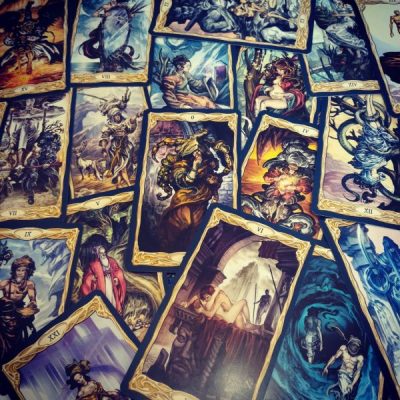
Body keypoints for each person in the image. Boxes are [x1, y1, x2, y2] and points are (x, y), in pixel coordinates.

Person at [182, 284, 261, 333]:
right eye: (205, 298)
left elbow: (198, 297)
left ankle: (250, 324)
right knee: (243, 302)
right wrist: (188, 303)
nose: (206, 299)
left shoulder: (218, 297)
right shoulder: (213, 300)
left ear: (212, 294)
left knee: (240, 316)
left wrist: (194, 306)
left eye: (207, 297)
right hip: (228, 318)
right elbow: (197, 297)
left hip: (230, 316)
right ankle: (249, 323)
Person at [80, 236, 126, 314]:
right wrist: (91, 278)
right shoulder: (92, 264)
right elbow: (87, 278)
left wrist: (117, 278)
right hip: (99, 287)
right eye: (100, 252)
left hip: (111, 284)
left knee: (111, 300)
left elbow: (118, 271)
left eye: (103, 253)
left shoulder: (111, 261)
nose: (103, 255)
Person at [0, 255, 38, 338]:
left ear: (28, 271)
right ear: (14, 271)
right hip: (5, 310)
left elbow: (32, 298)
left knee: (27, 326)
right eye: (18, 270)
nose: (20, 273)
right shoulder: (6, 282)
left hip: (18, 310)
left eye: (23, 270)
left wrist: (32, 304)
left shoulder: (29, 284)